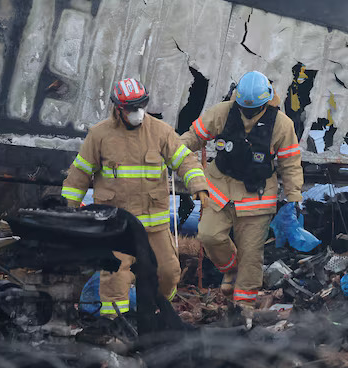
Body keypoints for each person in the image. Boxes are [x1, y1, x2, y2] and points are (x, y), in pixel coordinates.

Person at [61, 78, 208, 316]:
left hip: (154, 225)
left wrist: (198, 185)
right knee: (115, 276)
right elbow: (79, 173)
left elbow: (184, 161)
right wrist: (68, 210)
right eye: (131, 108)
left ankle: (159, 312)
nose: (137, 112)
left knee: (169, 272)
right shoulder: (99, 136)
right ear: (118, 109)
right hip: (117, 226)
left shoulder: (160, 132)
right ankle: (115, 323)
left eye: (142, 105)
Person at [178, 71, 303, 325]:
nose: (248, 112)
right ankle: (229, 268)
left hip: (257, 196)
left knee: (251, 255)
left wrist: (293, 197)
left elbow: (290, 163)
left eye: (255, 108)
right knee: (209, 235)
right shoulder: (222, 112)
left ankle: (243, 307)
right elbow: (192, 138)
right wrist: (173, 153)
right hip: (220, 188)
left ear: (266, 102)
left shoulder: (281, 124)